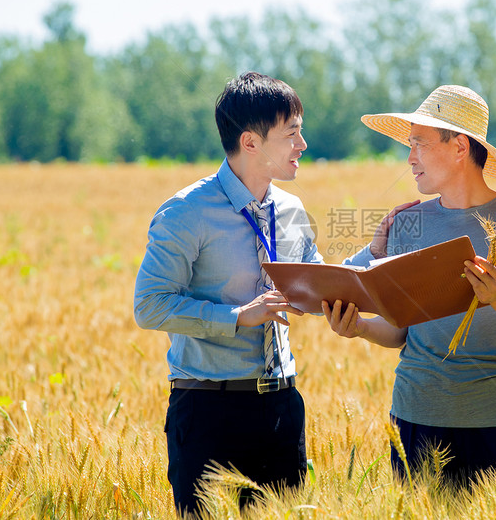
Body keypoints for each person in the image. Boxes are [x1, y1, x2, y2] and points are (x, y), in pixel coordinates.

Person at [133, 72, 406, 518]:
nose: (303, 144)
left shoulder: (291, 210)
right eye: (292, 133)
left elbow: (315, 284)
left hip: (282, 408)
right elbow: (149, 305)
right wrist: (239, 316)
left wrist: (371, 254)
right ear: (251, 142)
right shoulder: (186, 212)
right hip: (207, 410)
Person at [322, 85, 496, 486]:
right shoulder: (407, 223)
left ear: (459, 148)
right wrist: (360, 327)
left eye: (419, 143)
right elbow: (402, 330)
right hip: (417, 422)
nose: (409, 157)